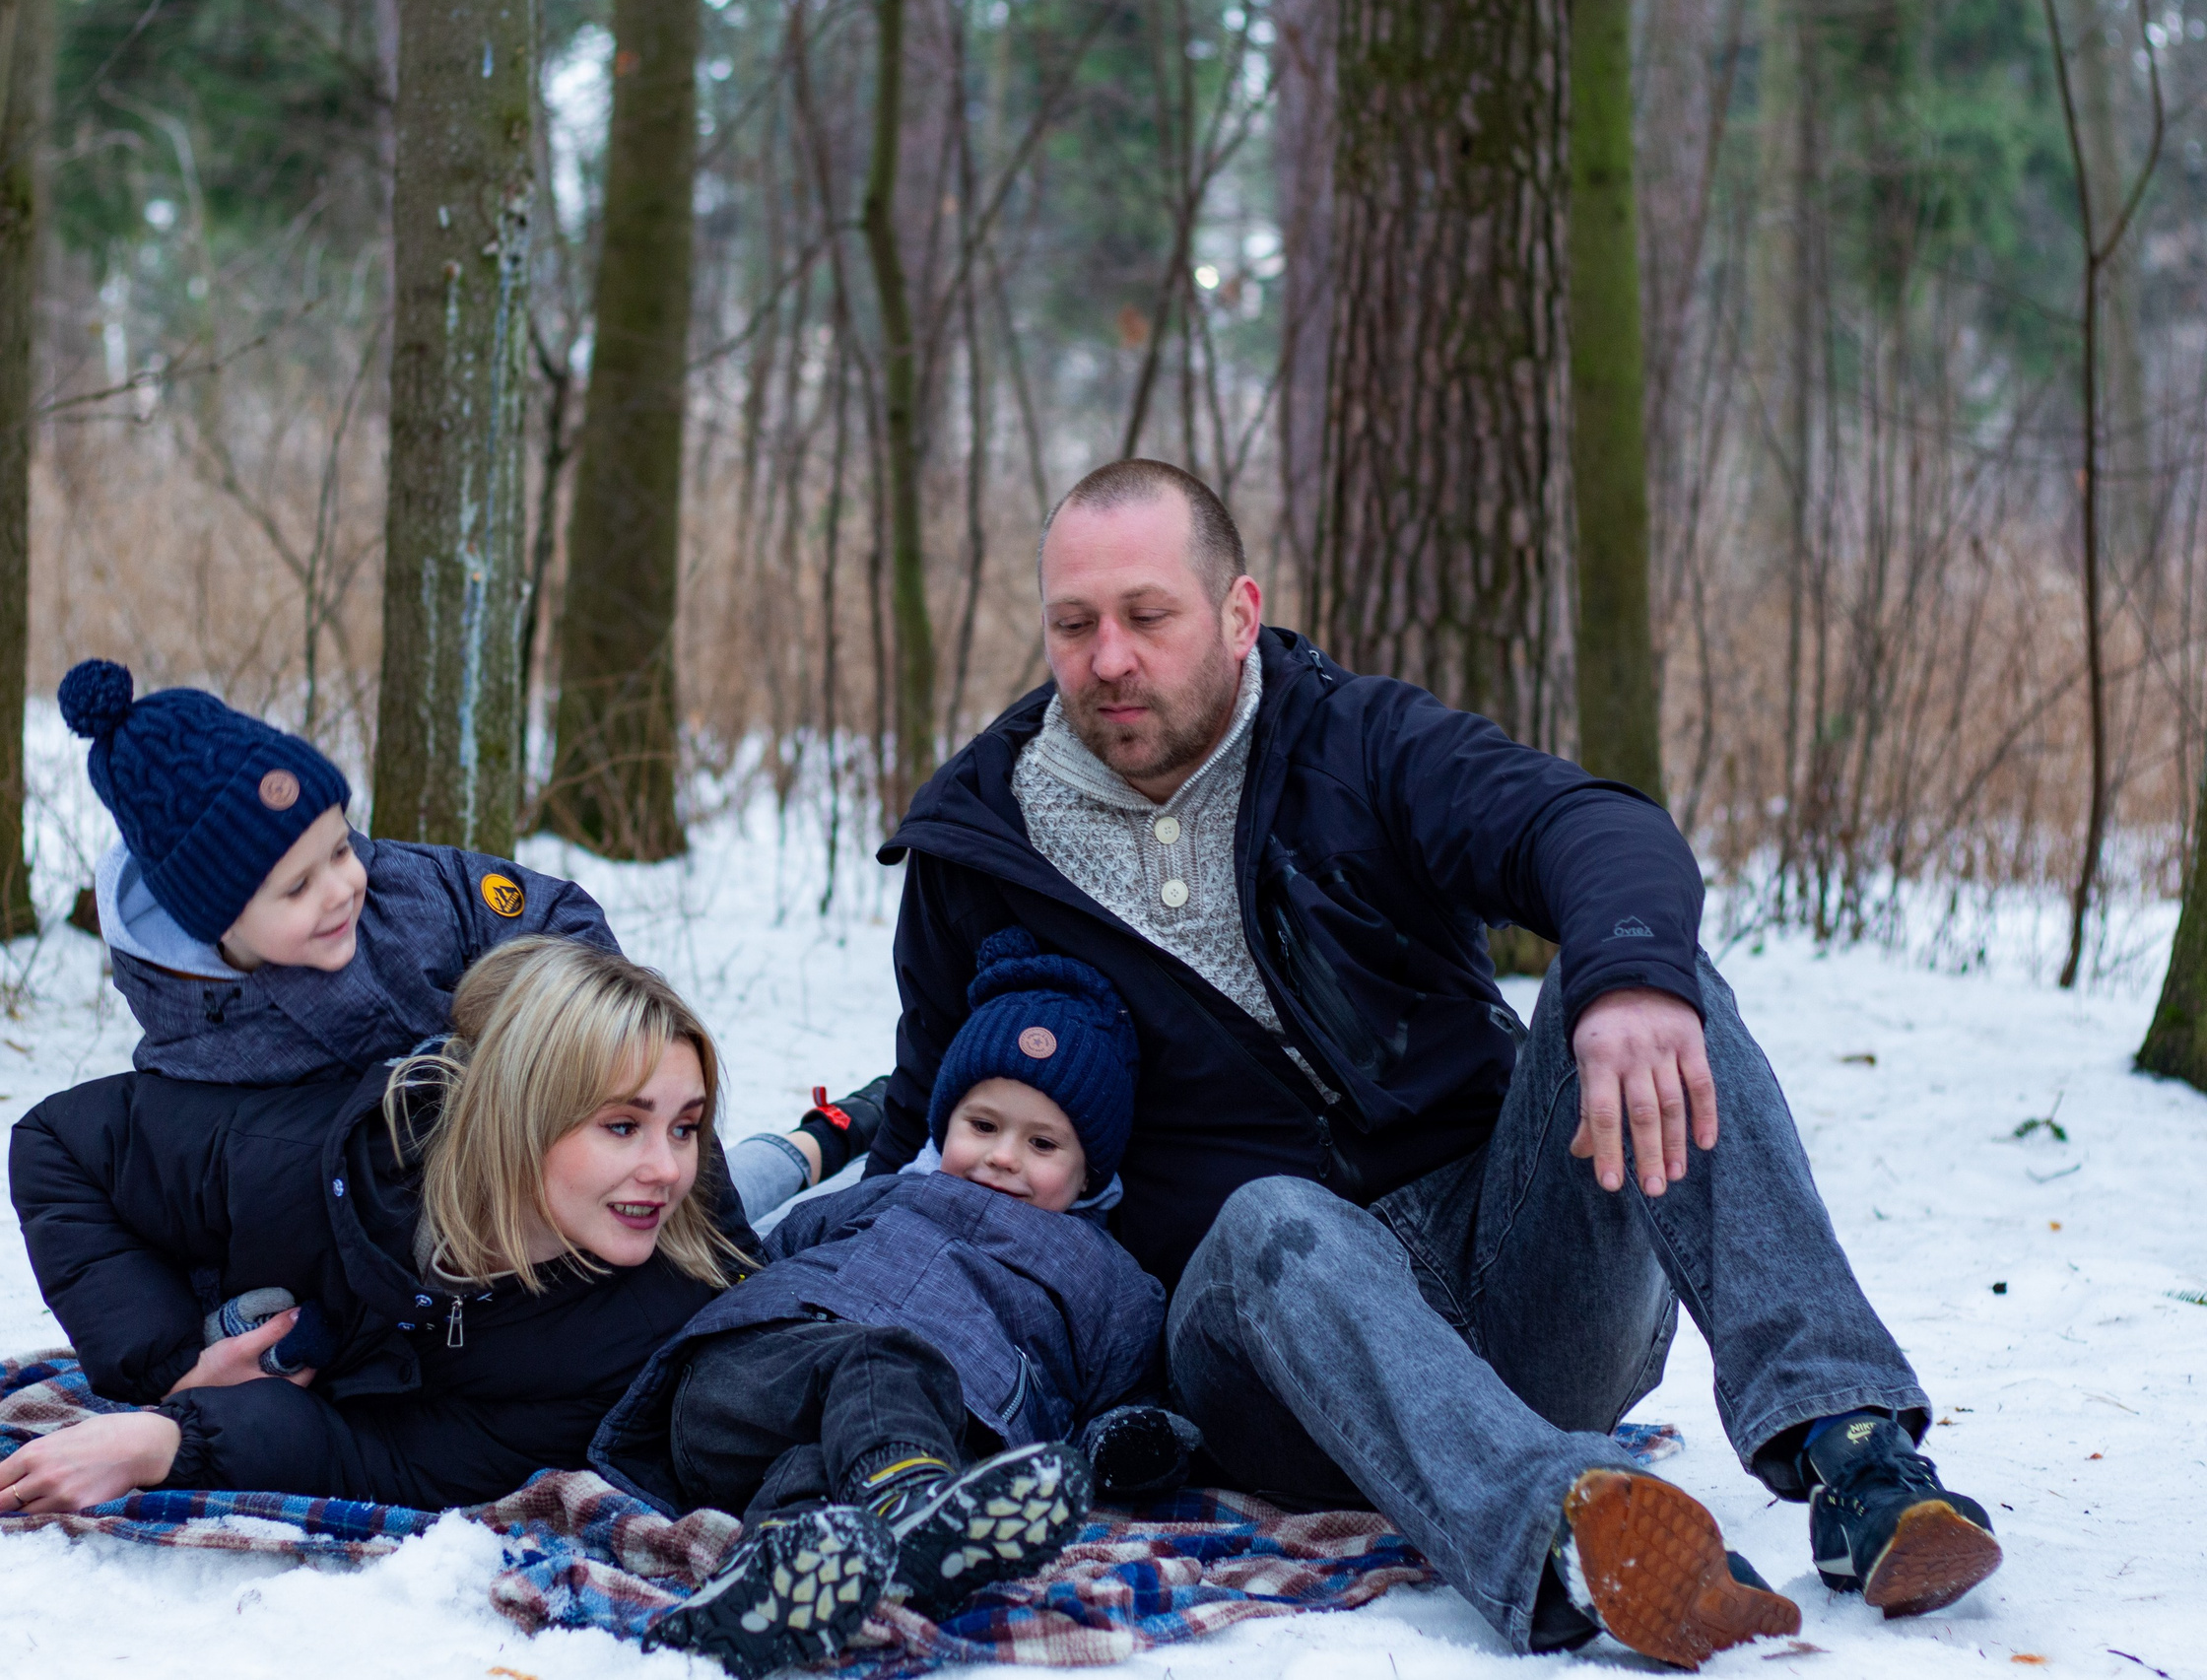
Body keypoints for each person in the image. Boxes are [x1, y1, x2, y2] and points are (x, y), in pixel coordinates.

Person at [858, 458, 2002, 1666]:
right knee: (1269, 1219)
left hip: (1519, 1283)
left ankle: (1853, 1450)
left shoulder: (1356, 744)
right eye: (1073, 625)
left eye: (1148, 617)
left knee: (1645, 981)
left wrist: (1628, 979)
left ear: (1238, 616)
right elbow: (923, 1141)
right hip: (1269, 1363)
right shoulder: (979, 847)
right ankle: (1573, 1544)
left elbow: (1589, 824)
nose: (1108, 660)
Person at [57, 656, 869, 1215]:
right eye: (298, 886)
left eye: (339, 847)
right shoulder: (195, 1044)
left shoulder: (408, 886)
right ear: (215, 918)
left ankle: (838, 1130)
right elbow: (224, 1191)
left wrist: (535, 1044)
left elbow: (556, 915)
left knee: (711, 1208)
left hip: (563, 1143)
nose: (342, 886)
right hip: (430, 1243)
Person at [591, 929, 1190, 1680]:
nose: (1003, 1155)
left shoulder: (1108, 1277)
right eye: (982, 1125)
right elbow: (765, 1253)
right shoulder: (885, 1194)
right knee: (887, 1355)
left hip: (944, 1434)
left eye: (1043, 1144)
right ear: (946, 1123)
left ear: (1090, 1170)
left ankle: (766, 1585)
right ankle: (907, 1500)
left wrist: (1136, 1441)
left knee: (823, 1484)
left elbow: (1129, 1388)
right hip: (753, 1384)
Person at [0, 936, 759, 1512]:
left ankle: (814, 1139)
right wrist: (177, 1371)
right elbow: (60, 1146)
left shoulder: (625, 1337)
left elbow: (389, 1464)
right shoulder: (303, 1162)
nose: (667, 1168)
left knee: (778, 1180)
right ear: (521, 1115)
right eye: (623, 1125)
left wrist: (175, 1437)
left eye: (685, 1127)